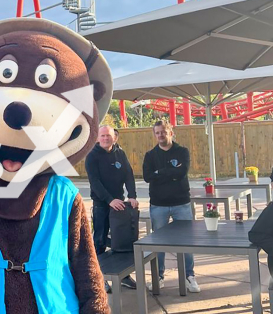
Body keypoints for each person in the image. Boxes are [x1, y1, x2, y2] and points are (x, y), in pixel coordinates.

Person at [143, 120, 200, 293]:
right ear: (155, 134)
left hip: (181, 203)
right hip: (158, 205)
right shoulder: (150, 155)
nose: (161, 135)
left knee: (186, 241)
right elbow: (147, 176)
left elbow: (182, 172)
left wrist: (159, 172)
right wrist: (169, 173)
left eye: (163, 132)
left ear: (171, 133)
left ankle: (189, 276)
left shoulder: (182, 152)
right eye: (157, 132)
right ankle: (159, 276)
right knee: (159, 242)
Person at [85, 125, 139, 291]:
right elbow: (95, 183)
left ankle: (124, 276)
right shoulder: (92, 157)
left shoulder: (120, 153)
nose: (105, 139)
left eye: (108, 136)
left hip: (120, 205)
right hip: (102, 205)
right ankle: (100, 278)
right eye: (102, 136)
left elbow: (129, 175)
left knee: (121, 242)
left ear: (114, 137)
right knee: (100, 241)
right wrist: (109, 200)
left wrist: (132, 195)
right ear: (97, 138)